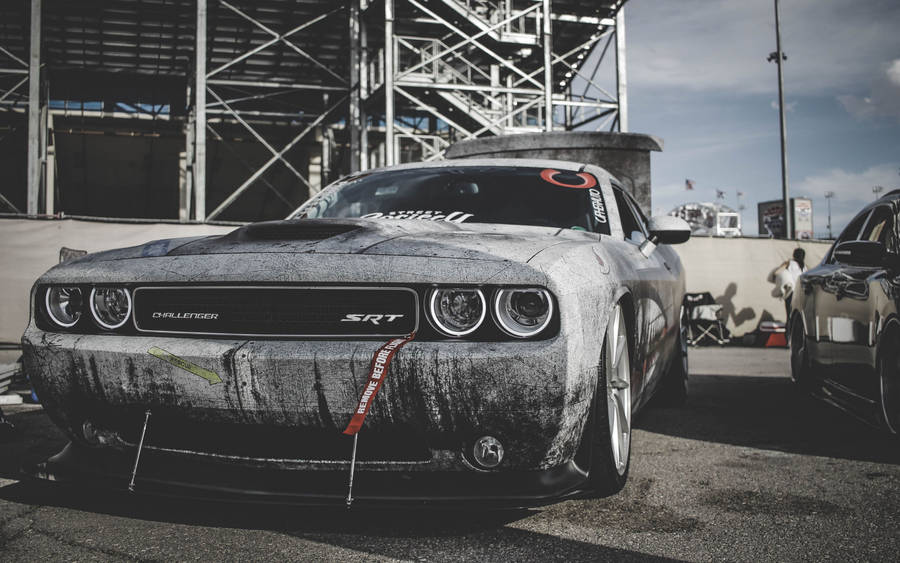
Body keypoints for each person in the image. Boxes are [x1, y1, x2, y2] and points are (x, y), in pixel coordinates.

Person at [773, 248, 807, 322]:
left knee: (789, 315)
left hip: (791, 292)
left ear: (794, 255)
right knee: (798, 316)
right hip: (801, 293)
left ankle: (788, 329)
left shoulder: (789, 263)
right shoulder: (804, 267)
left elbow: (777, 272)